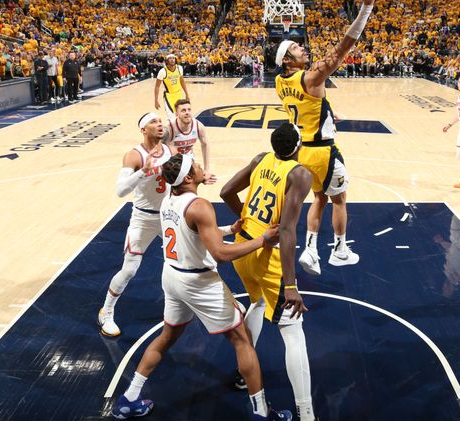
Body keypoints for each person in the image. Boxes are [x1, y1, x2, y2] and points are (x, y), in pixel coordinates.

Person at [112, 153, 292, 421]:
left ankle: (128, 399)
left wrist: (230, 229)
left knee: (166, 337)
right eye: (195, 165)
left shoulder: (167, 200)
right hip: (198, 282)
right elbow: (219, 253)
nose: (199, 166)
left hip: (172, 276)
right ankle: (262, 413)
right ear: (187, 177)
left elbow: (194, 231)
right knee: (242, 340)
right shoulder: (199, 205)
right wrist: (263, 240)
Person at [274, 0, 380, 275]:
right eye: (296, 49)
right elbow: (342, 49)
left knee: (318, 199)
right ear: (287, 61)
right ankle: (339, 249)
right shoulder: (311, 77)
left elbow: (310, 104)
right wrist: (366, 8)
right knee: (339, 199)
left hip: (303, 153)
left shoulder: (281, 84)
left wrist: (329, 114)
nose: (303, 49)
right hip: (324, 153)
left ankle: (309, 250)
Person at [220, 123, 316, 421]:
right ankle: (307, 412)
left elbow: (225, 192)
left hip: (243, 245)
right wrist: (291, 285)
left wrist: (244, 217)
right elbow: (287, 231)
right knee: (293, 330)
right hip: (266, 254)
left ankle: (242, 373)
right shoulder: (300, 174)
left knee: (258, 304)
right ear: (298, 147)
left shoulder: (261, 158)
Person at [98, 113, 172, 337]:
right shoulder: (134, 155)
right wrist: (143, 171)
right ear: (143, 129)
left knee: (191, 259)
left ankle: (204, 304)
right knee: (130, 269)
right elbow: (120, 191)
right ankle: (106, 312)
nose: (159, 124)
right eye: (153, 122)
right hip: (143, 218)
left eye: (160, 121)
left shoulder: (171, 150)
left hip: (168, 216)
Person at [163, 98, 213, 176]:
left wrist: (206, 169)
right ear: (177, 114)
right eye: (183, 110)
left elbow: (205, 144)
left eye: (189, 110)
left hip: (188, 160)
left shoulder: (198, 126)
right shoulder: (169, 127)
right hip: (171, 163)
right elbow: (159, 147)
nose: (187, 112)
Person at [154, 54, 190, 119]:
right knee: (171, 117)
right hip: (169, 96)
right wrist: (156, 100)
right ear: (167, 61)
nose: (172, 59)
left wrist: (187, 94)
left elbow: (182, 81)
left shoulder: (179, 68)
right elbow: (157, 86)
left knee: (179, 115)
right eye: (170, 58)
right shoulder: (163, 71)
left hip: (179, 94)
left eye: (173, 58)